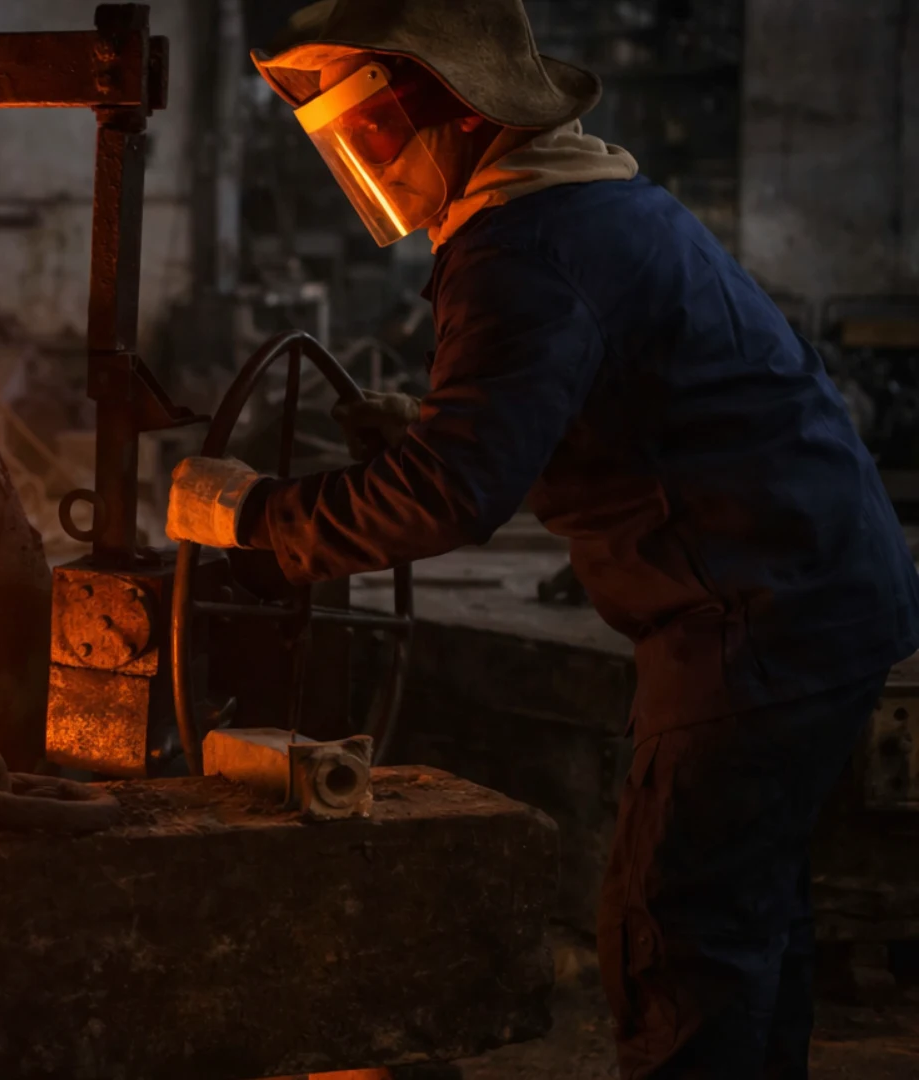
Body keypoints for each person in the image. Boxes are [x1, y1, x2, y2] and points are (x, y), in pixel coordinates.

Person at [165, 1, 919, 1077]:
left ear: (464, 112)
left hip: (754, 619)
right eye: (348, 142)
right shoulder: (593, 200)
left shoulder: (523, 249)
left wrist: (252, 515)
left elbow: (450, 497)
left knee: (678, 935)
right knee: (749, 928)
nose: (367, 164)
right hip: (815, 586)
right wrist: (434, 429)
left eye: (373, 133)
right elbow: (599, 411)